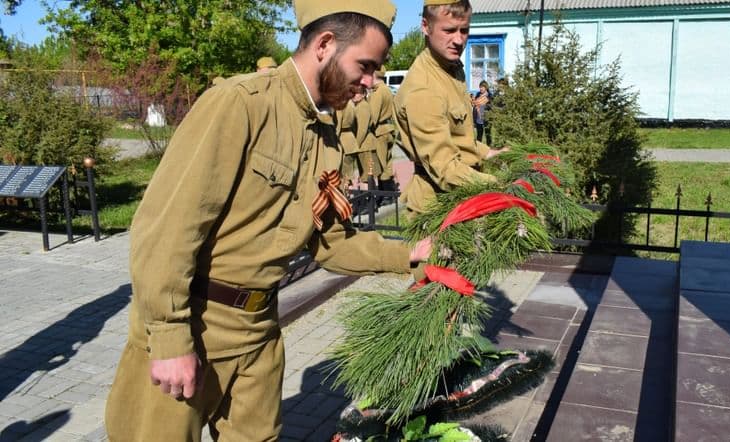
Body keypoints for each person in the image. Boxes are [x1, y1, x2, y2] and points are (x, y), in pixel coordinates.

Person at [104, 2, 430, 441]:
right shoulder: (240, 104)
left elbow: (331, 241)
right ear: (325, 44)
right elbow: (167, 228)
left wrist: (411, 254)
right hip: (193, 329)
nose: (371, 83)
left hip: (259, 334)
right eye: (366, 66)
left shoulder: (327, 137)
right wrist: (168, 338)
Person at [394, 0, 507, 215]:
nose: (458, 40)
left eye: (464, 30)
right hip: (438, 208)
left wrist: (490, 153)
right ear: (425, 26)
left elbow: (458, 137)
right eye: (449, 30)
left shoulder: (452, 69)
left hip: (462, 197)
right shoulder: (424, 89)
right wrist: (501, 185)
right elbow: (445, 170)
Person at [368, 66, 398, 203]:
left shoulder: (378, 92)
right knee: (387, 162)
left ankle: (386, 194)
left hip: (380, 131)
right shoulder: (386, 90)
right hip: (389, 128)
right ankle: (389, 193)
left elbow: (372, 116)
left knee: (380, 163)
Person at [472, 79, 491, 146]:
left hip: (486, 118)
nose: (480, 88)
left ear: (486, 87)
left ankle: (489, 148)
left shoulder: (489, 96)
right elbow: (474, 105)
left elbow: (491, 107)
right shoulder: (477, 95)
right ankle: (479, 149)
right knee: (479, 135)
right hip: (478, 118)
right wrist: (473, 100)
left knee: (488, 135)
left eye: (482, 87)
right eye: (480, 87)